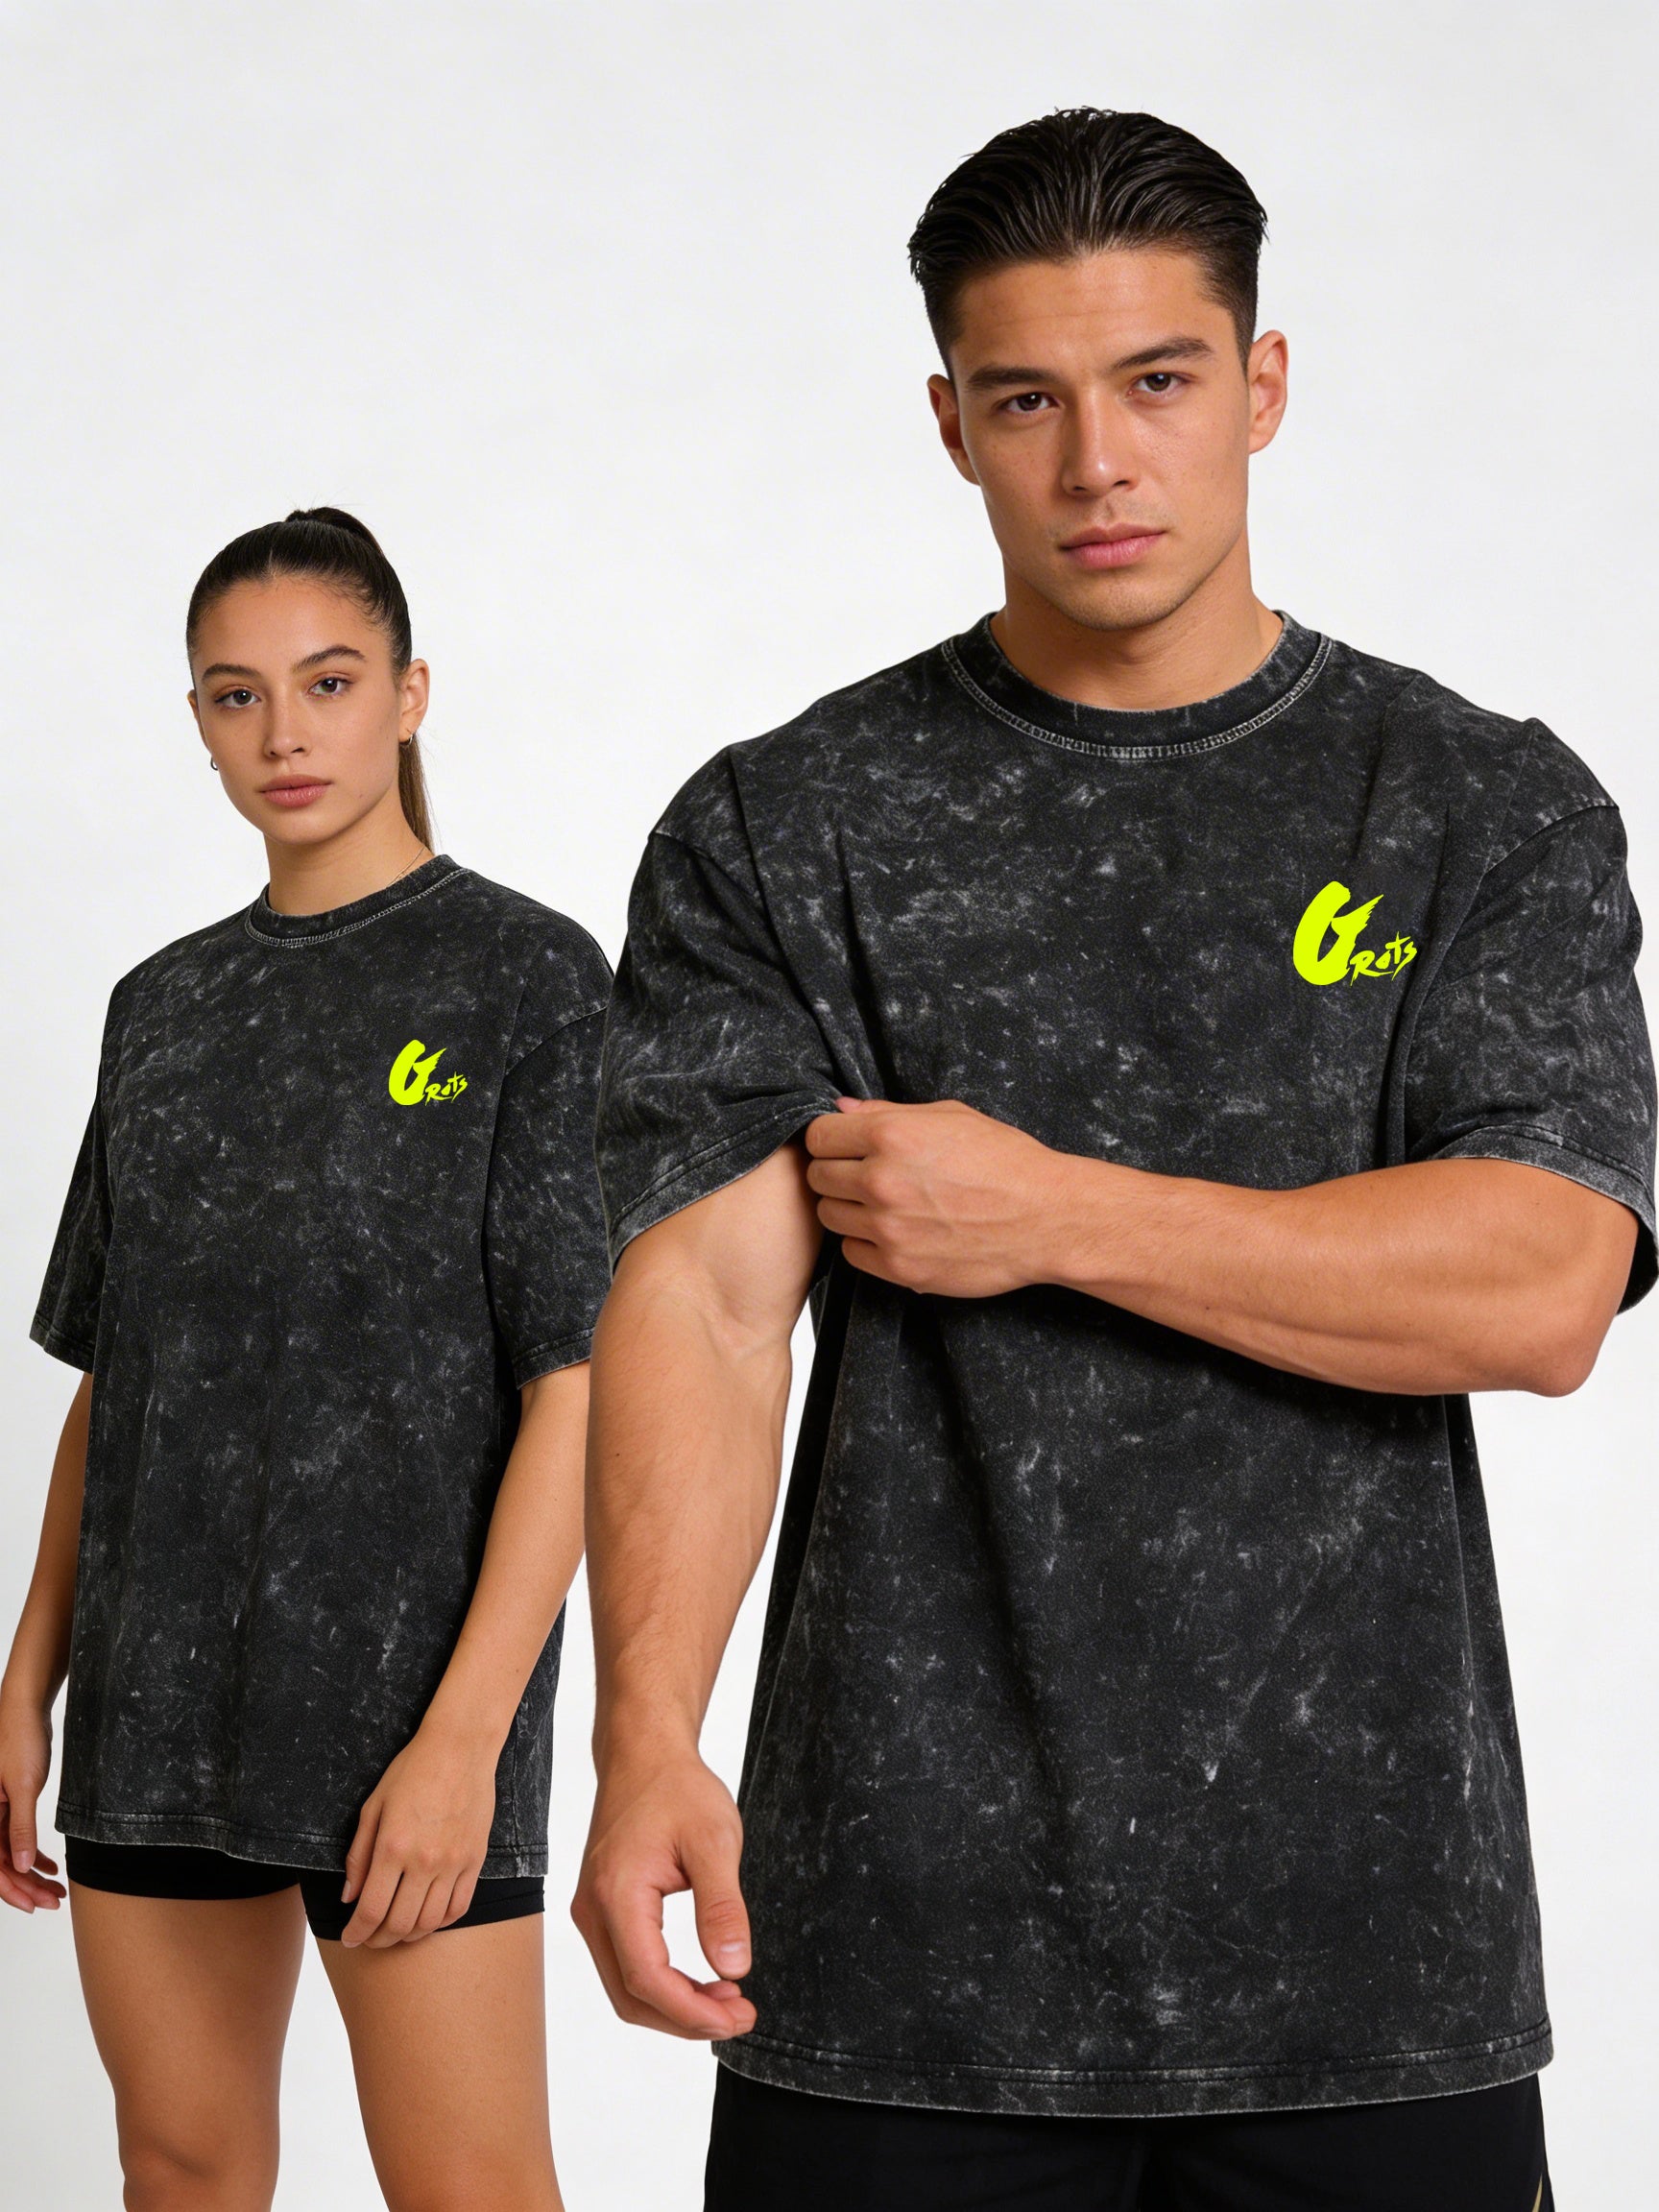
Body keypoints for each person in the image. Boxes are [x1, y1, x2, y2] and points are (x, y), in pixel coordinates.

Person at [574, 110, 1654, 2211]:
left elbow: (1542, 1288)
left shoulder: (1481, 805)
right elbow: (703, 1304)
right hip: (895, 1948)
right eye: (1026, 401)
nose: (1098, 463)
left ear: (1261, 385)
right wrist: (641, 1737)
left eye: (1158, 381)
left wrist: (1054, 1212)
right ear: (950, 426)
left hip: (1368, 1953)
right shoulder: (784, 826)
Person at [0, 510, 612, 2212]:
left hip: (404, 1715)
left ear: (409, 694)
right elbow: (116, 1382)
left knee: (471, 2188)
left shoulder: (529, 979)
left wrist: (465, 1743)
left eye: (329, 683)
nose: (283, 732)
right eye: (236, 694)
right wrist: (27, 1683)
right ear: (198, 718)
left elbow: (579, 1386)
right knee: (181, 2170)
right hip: (153, 1707)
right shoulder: (161, 1008)